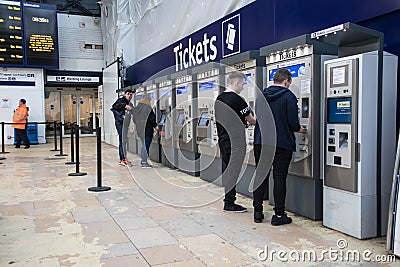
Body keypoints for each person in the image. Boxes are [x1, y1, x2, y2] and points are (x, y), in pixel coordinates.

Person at [252, 68, 306, 225]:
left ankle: (258, 212)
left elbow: (258, 117)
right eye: (289, 83)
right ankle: (279, 215)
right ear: (286, 81)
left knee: (260, 176)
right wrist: (299, 129)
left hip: (261, 142)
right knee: (279, 178)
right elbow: (292, 122)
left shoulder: (261, 96)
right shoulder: (288, 96)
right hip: (281, 143)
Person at [215, 71, 256, 213]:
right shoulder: (238, 100)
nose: (243, 88)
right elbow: (251, 119)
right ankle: (229, 203)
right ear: (237, 83)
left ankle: (229, 201)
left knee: (229, 171)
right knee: (234, 172)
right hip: (236, 142)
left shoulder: (219, 99)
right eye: (242, 84)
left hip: (223, 140)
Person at [132, 94, 158, 168]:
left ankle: (143, 161)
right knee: (146, 146)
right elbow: (152, 118)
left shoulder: (137, 108)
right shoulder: (148, 107)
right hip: (147, 129)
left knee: (144, 145)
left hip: (139, 130)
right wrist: (155, 126)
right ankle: (144, 162)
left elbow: (134, 119)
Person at [111, 89, 133, 166]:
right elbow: (114, 106)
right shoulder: (121, 100)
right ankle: (122, 159)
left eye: (131, 94)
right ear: (125, 94)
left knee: (123, 141)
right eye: (128, 94)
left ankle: (124, 158)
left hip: (124, 123)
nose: (130, 96)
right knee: (122, 140)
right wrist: (124, 106)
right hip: (120, 123)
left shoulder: (129, 103)